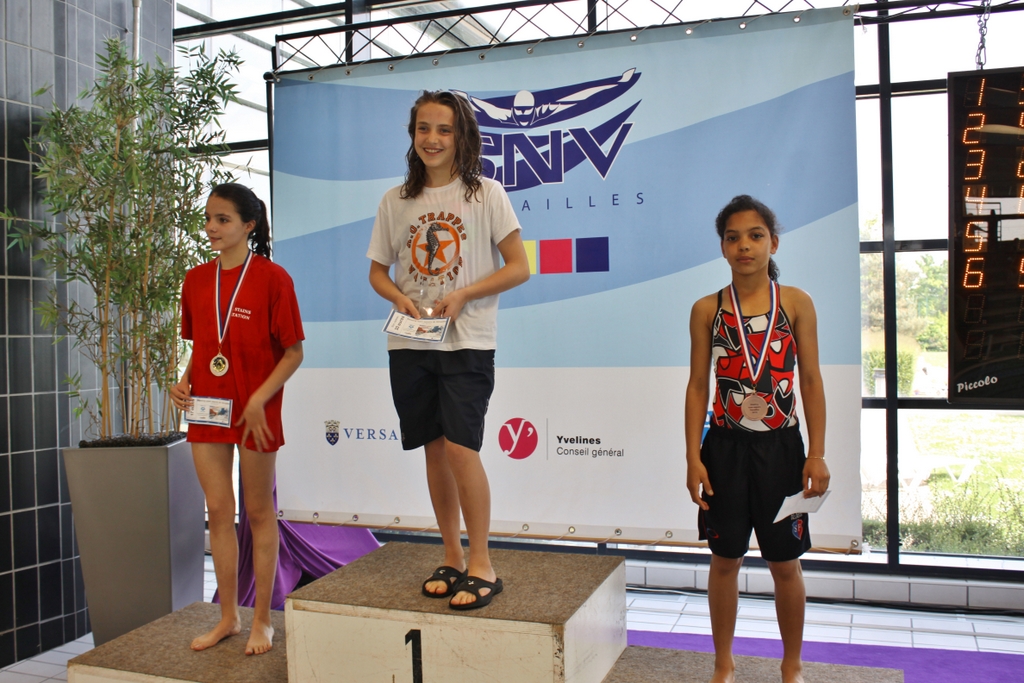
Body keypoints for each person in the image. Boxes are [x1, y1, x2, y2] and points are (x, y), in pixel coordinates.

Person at [367, 90, 529, 609]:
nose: (432, 139)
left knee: (462, 448)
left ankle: (483, 563)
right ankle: (453, 556)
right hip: (409, 341)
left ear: (463, 136)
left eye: (444, 129)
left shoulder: (486, 195)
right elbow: (378, 272)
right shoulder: (395, 200)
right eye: (423, 129)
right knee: (434, 448)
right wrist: (398, 298)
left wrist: (464, 295)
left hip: (468, 341)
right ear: (412, 135)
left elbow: (519, 267)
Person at [685, 195, 830, 683]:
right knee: (725, 560)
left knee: (785, 565)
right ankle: (723, 663)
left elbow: (810, 379)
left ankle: (792, 666)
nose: (744, 246)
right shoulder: (707, 309)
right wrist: (693, 456)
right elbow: (698, 386)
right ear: (722, 247)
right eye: (733, 238)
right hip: (723, 450)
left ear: (773, 242)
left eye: (755, 236)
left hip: (782, 451)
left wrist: (816, 454)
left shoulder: (795, 303)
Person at [170, 183, 304, 655]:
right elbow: (206, 346)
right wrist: (184, 380)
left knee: (258, 513)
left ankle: (262, 620)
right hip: (207, 407)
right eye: (208, 218)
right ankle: (228, 617)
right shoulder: (195, 280)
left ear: (249, 225)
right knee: (219, 512)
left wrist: (259, 399)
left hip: (255, 409)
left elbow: (293, 353)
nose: (211, 227)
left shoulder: (273, 278)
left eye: (222, 219)